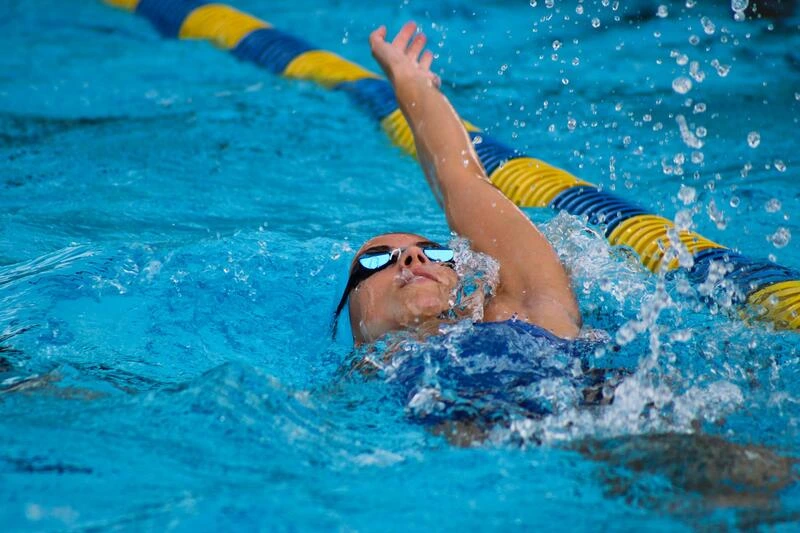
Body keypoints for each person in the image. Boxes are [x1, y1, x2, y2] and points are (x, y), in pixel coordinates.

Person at [334, 22, 582, 346]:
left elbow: (462, 179)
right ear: (356, 328)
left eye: (435, 253)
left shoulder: (526, 314)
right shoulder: (335, 393)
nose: (413, 258)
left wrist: (412, 83)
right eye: (377, 260)